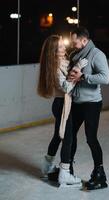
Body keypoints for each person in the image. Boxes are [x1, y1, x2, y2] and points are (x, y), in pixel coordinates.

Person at [37, 34, 87, 187]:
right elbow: (66, 87)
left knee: (58, 136)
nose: (64, 47)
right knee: (68, 138)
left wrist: (75, 64)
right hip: (62, 105)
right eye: (60, 46)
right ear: (53, 51)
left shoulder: (61, 62)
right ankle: (64, 173)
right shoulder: (54, 67)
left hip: (63, 104)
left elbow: (68, 67)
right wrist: (78, 68)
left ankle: (47, 166)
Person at [68, 26, 109, 190]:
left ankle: (100, 174)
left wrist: (83, 76)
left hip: (92, 103)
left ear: (84, 40)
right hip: (77, 102)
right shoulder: (77, 55)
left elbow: (105, 78)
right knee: (70, 136)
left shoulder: (97, 54)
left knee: (91, 138)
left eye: (75, 41)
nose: (73, 44)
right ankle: (67, 168)